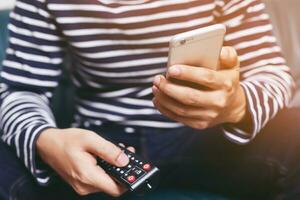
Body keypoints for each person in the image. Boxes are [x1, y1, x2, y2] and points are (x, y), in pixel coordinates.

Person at [0, 0, 298, 199]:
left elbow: (271, 70)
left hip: (210, 137)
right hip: (100, 144)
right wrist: (44, 139)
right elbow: (20, 89)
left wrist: (238, 106)